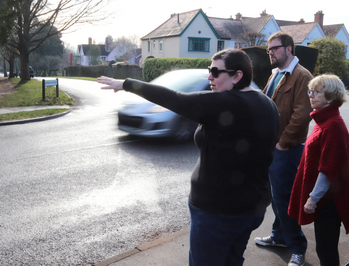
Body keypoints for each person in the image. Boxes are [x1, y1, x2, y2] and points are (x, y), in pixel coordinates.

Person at [98, 48, 280, 266]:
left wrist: (127, 84)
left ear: (237, 76)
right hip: (253, 207)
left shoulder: (225, 103)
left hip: (218, 211)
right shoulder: (268, 104)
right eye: (208, 70)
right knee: (233, 260)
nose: (209, 77)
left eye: (215, 72)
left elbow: (174, 99)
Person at [254, 32, 313, 266]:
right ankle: (279, 237)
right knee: (276, 198)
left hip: (287, 149)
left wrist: (282, 143)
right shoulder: (276, 74)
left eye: (274, 49)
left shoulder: (302, 76)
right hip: (271, 147)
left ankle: (297, 248)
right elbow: (265, 101)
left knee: (285, 198)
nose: (270, 53)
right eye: (269, 50)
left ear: (288, 49)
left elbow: (301, 116)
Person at [288, 74, 349, 266]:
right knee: (324, 247)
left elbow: (329, 168)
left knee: (325, 249)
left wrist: (313, 199)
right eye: (310, 91)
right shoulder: (323, 120)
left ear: (331, 97)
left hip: (329, 200)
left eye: (316, 92)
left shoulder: (333, 125)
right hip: (325, 198)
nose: (311, 95)